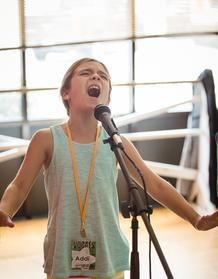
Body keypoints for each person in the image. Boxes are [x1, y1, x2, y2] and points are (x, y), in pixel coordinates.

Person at [0, 58, 218, 279]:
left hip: (109, 255)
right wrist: (5, 209)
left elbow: (154, 184)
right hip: (62, 257)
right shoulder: (46, 139)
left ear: (108, 98)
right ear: (66, 93)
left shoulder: (116, 141)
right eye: (86, 73)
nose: (96, 77)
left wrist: (196, 219)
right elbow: (19, 185)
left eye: (103, 76)